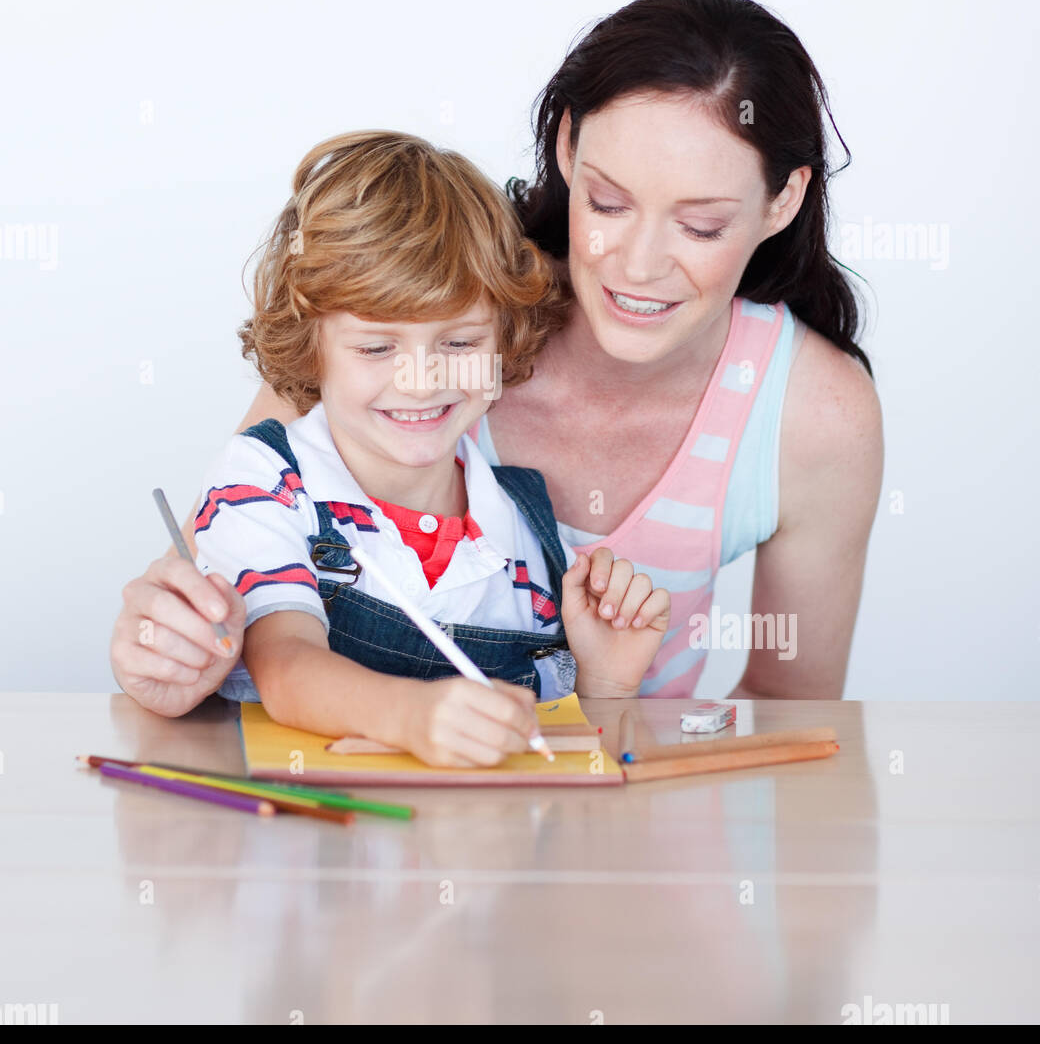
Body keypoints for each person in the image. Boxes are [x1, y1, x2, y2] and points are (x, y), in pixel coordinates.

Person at [111, 0, 882, 702]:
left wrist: (618, 745)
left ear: (784, 199)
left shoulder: (814, 415)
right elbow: (224, 589)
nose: (639, 265)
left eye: (700, 225)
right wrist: (170, 642)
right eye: (608, 203)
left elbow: (792, 721)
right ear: (568, 147)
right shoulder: (427, 303)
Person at [112, 130, 670, 766]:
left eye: (458, 344)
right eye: (377, 348)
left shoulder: (529, 541)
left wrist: (606, 684)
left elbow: (560, 760)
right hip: (314, 846)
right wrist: (413, 716)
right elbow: (288, 665)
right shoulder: (267, 483)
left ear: (504, 341)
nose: (421, 380)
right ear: (310, 345)